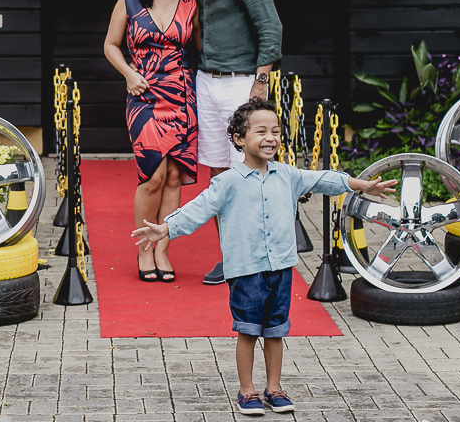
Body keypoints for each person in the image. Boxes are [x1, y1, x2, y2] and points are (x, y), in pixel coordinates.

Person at [132, 98, 396, 416]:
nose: (270, 138)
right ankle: (247, 391)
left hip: (281, 268)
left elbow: (323, 179)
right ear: (239, 139)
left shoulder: (287, 174)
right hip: (246, 270)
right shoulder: (227, 181)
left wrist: (362, 185)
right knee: (247, 331)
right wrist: (165, 228)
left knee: (275, 331)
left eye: (275, 131)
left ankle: (274, 388)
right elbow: (198, 209)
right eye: (261, 131)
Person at [176, 0, 282, 285]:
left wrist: (261, 82)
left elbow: (271, 28)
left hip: (242, 83)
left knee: (249, 171)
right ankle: (231, 255)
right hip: (207, 83)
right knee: (219, 173)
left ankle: (258, 255)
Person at [104, 0, 199, 283]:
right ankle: (144, 248)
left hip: (182, 97)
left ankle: (162, 249)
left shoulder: (190, 2)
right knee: (153, 176)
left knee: (174, 176)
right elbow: (110, 45)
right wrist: (129, 74)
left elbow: (201, 47)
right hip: (143, 95)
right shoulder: (130, 0)